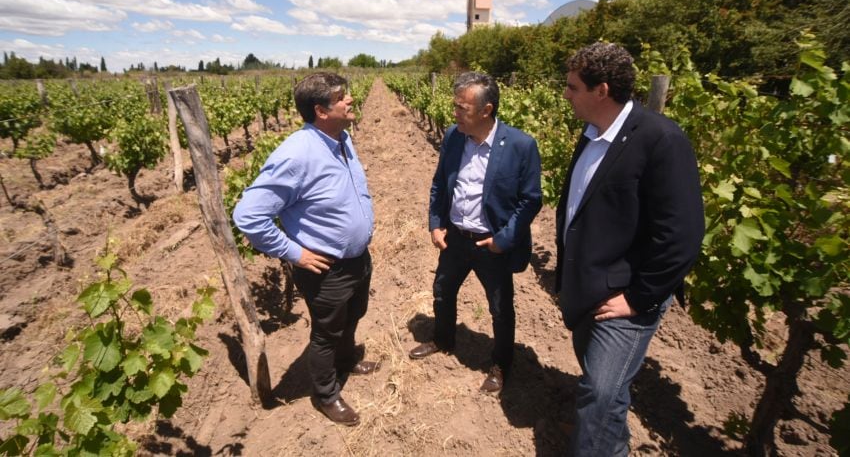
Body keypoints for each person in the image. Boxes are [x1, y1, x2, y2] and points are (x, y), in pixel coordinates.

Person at [555, 42, 704, 455]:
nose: (565, 94)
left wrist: (637, 297)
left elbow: (683, 235)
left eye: (572, 87)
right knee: (606, 386)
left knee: (599, 394)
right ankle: (608, 444)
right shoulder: (591, 135)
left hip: (623, 296)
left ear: (601, 90)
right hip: (586, 286)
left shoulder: (661, 140)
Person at [232, 71, 377, 427]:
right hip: (326, 268)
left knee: (352, 316)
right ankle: (326, 394)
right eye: (342, 97)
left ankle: (346, 362)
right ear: (321, 110)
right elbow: (248, 216)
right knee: (326, 333)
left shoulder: (341, 138)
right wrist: (295, 253)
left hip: (358, 260)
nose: (350, 100)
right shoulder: (297, 154)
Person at [409, 71, 542, 395]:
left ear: (486, 110)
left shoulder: (521, 145)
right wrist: (436, 222)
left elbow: (531, 199)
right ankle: (443, 339)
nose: (454, 114)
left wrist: (503, 239)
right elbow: (441, 182)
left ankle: (501, 363)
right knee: (442, 291)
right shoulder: (454, 136)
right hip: (455, 237)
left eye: (461, 108)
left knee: (500, 307)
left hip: (490, 244)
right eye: (455, 107)